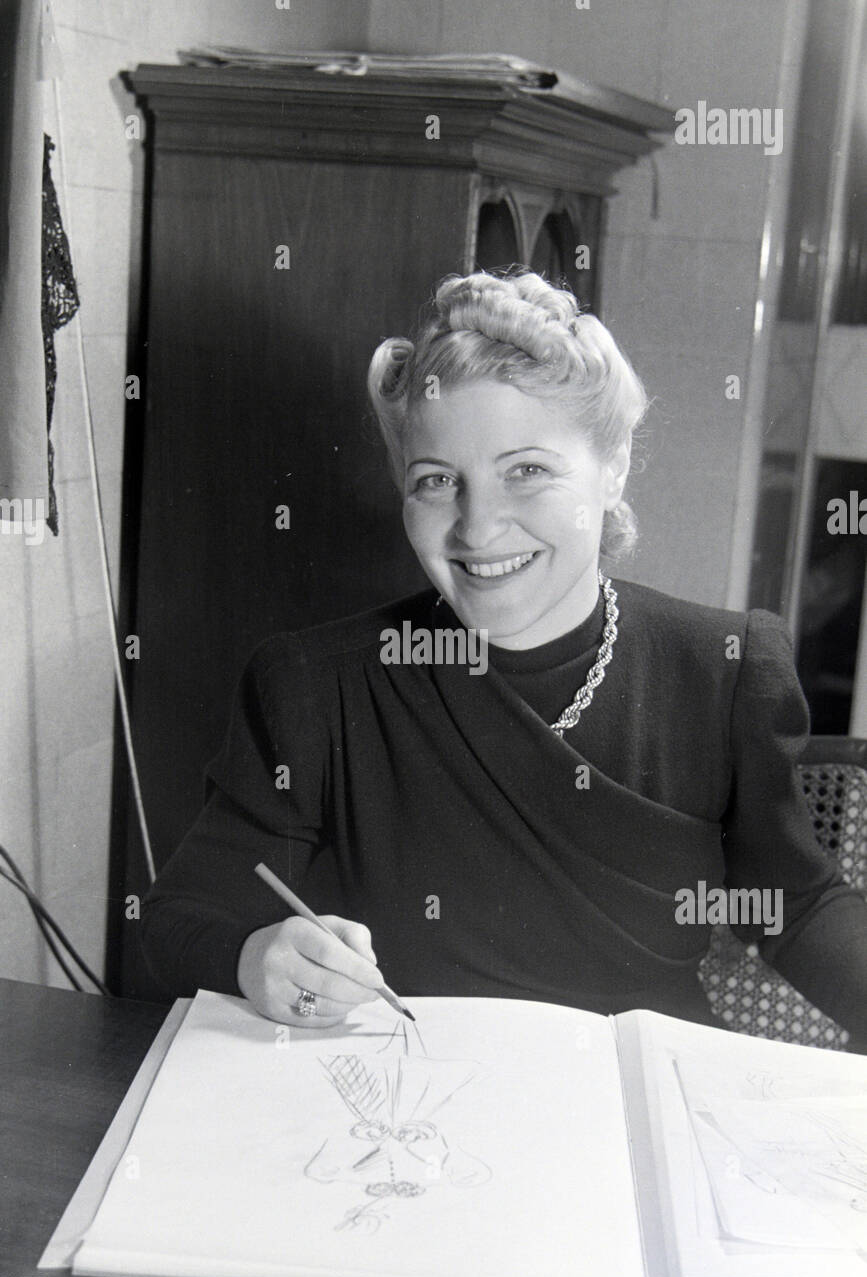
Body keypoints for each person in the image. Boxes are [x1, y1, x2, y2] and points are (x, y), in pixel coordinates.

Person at [140, 270, 867, 1047]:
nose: (478, 528)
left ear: (612, 466)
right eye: (436, 481)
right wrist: (258, 956)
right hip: (409, 1104)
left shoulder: (723, 668)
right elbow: (182, 921)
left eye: (526, 470)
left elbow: (792, 904)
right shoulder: (314, 685)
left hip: (636, 1101)